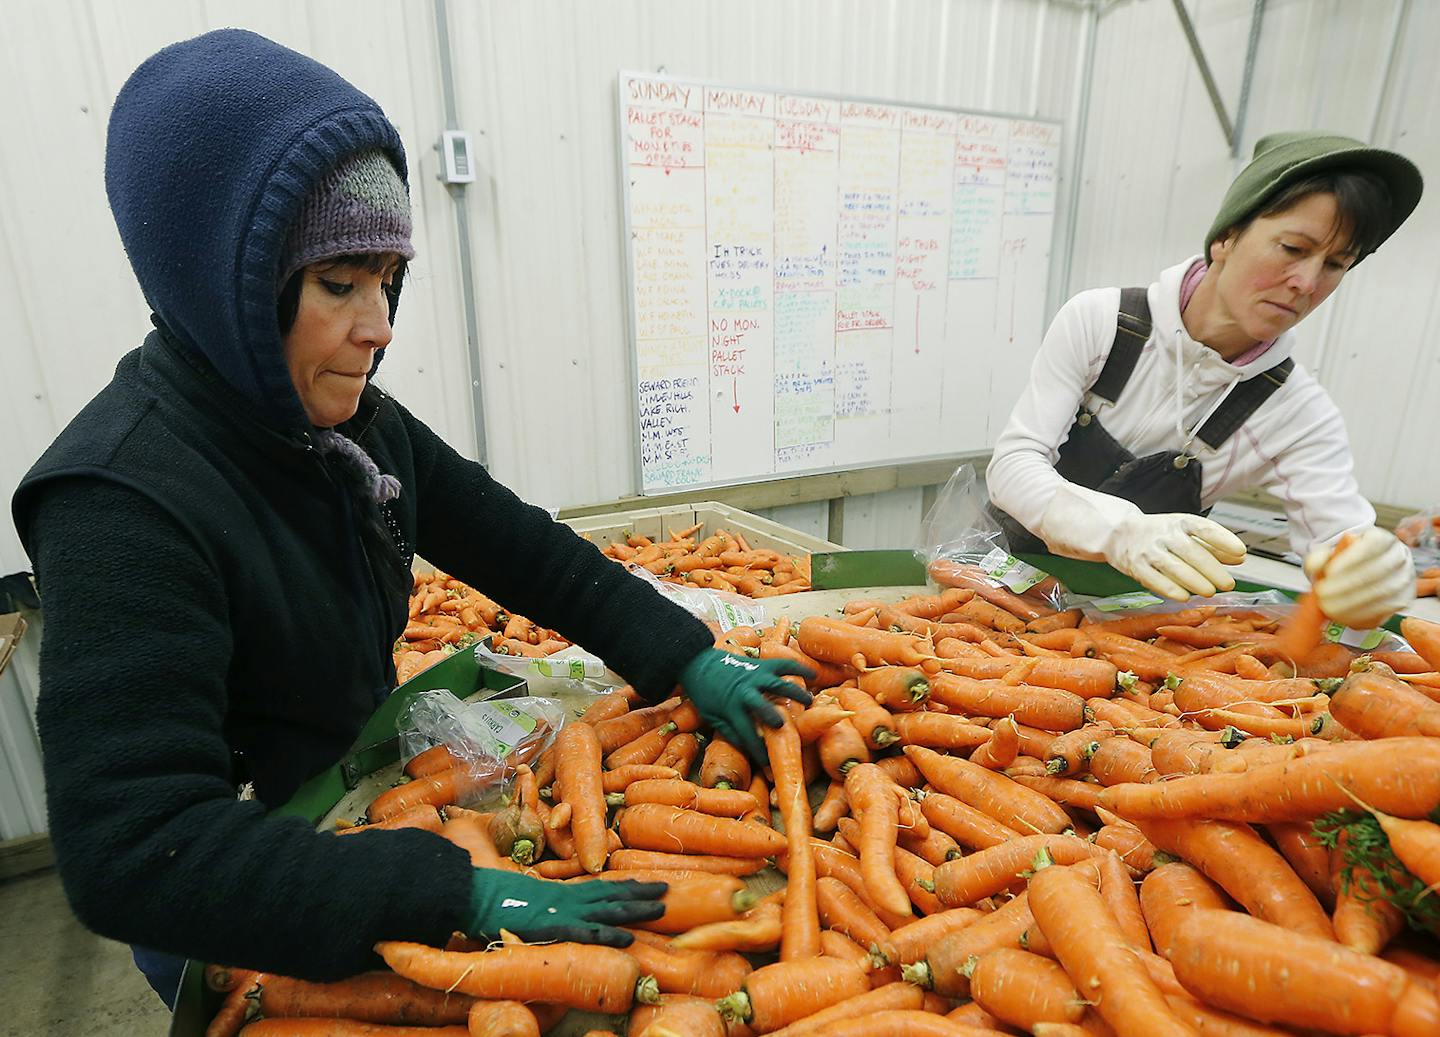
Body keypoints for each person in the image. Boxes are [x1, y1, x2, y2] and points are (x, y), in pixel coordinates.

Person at [10, 29, 810, 1008]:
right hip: (249, 894)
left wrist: (684, 655)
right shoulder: (119, 500)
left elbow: (525, 550)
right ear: (222, 282)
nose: (381, 323)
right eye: (339, 283)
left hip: (373, 812)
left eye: (389, 278)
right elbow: (136, 849)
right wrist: (449, 890)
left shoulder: (346, 429)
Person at [987, 131, 1423, 629]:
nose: (1306, 283)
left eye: (1335, 265)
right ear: (1226, 238)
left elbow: (1340, 540)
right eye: (1292, 248)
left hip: (1134, 626)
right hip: (999, 584)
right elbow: (1014, 465)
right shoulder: (1105, 324)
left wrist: (1373, 572)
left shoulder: (1297, 412)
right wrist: (1119, 532)